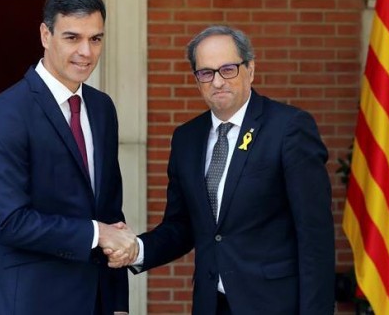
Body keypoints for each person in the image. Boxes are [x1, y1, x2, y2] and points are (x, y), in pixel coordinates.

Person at [109, 25, 335, 314]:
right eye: (206, 73)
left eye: (228, 69)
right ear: (197, 79)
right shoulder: (186, 139)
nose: (217, 82)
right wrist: (136, 249)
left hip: (275, 304)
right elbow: (181, 226)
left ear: (250, 69)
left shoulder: (288, 129)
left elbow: (314, 235)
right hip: (211, 305)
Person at [0, 0, 138, 315]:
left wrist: (117, 303)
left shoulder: (102, 108)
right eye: (72, 38)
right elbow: (10, 222)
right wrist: (96, 233)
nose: (86, 52)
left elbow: (110, 213)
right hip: (33, 301)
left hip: (96, 302)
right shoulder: (6, 111)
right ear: (45, 35)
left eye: (96, 39)